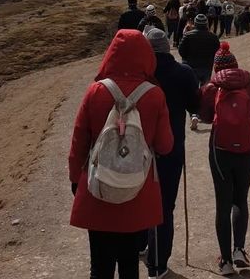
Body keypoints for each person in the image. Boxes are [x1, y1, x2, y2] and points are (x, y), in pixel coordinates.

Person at [69, 30, 174, 279]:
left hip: (98, 187)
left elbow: (79, 142)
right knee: (129, 264)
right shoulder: (155, 94)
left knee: (100, 267)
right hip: (136, 189)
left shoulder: (95, 91)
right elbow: (165, 145)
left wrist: (76, 179)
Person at [200, 43, 250, 276]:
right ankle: (239, 249)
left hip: (220, 152)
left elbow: (205, 117)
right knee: (240, 199)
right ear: (236, 65)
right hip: (247, 151)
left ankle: (225, 261)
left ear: (217, 67)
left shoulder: (212, 88)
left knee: (223, 204)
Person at [139, 29, 200, 279]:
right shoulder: (184, 73)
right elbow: (195, 107)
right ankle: (158, 265)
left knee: (140, 199)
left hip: (140, 150)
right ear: (167, 48)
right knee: (165, 206)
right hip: (173, 149)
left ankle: (141, 244)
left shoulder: (141, 75)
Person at [178, 14, 220, 129]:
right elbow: (218, 52)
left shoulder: (188, 35)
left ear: (195, 24)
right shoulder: (213, 37)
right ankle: (203, 113)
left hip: (191, 67)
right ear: (206, 24)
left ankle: (194, 115)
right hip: (206, 67)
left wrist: (187, 59)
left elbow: (181, 51)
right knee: (205, 91)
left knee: (193, 91)